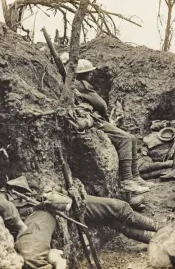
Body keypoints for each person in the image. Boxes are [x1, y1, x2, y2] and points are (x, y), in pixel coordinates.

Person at [0, 176, 160, 269]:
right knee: (32, 258)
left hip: (51, 200)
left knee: (117, 209)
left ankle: (159, 233)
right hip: (38, 214)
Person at [60, 53, 155, 195]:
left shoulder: (74, 84)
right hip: (93, 119)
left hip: (90, 117)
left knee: (133, 138)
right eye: (88, 73)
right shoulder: (83, 85)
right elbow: (102, 105)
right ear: (83, 74)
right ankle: (127, 180)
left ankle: (136, 176)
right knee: (125, 139)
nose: (91, 76)